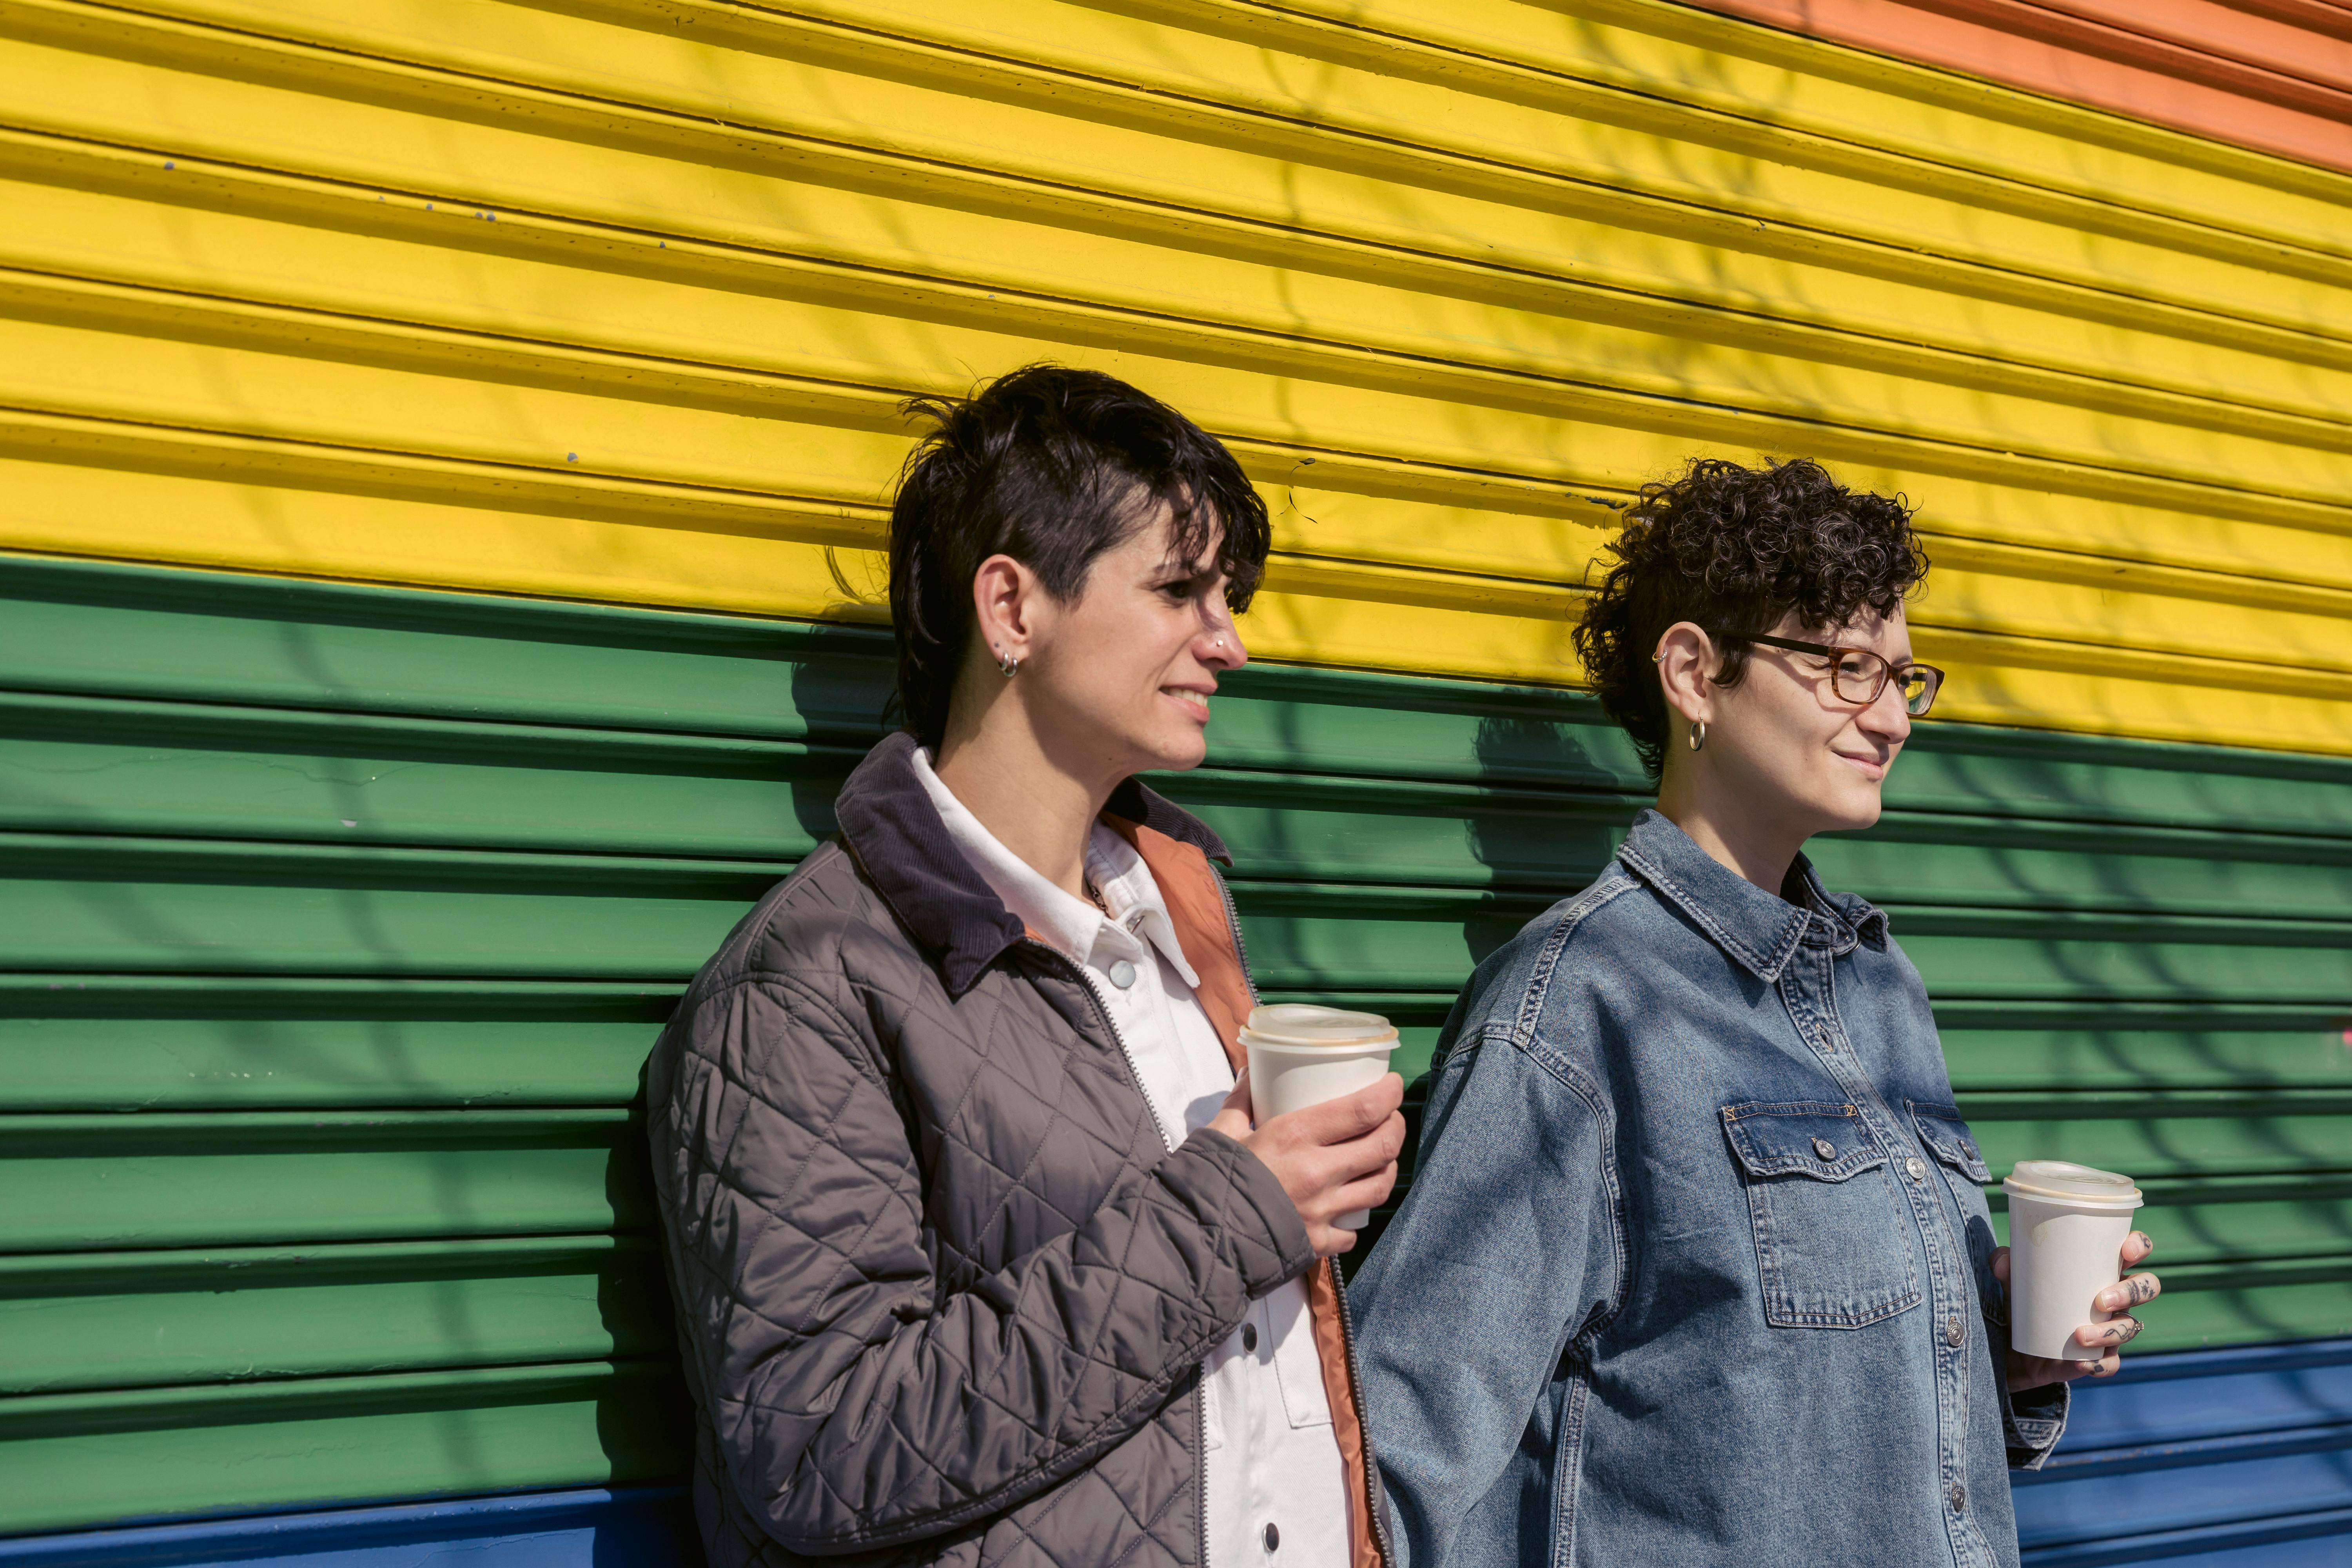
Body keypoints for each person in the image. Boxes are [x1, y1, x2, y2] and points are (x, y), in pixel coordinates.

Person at [645, 365, 1405, 1568]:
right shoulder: (808, 986)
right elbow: (817, 1449)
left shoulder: (1182, 914)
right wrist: (1239, 1212)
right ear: (1012, 607)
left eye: (1227, 596)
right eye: (1179, 592)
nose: (1232, 643)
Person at [1347, 458, 2161, 1568]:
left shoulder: (1884, 988)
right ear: (1693, 671)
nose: (1891, 719)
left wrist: (2009, 1361)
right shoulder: (1582, 1005)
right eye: (1845, 668)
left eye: (1905, 680)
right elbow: (1405, 1447)